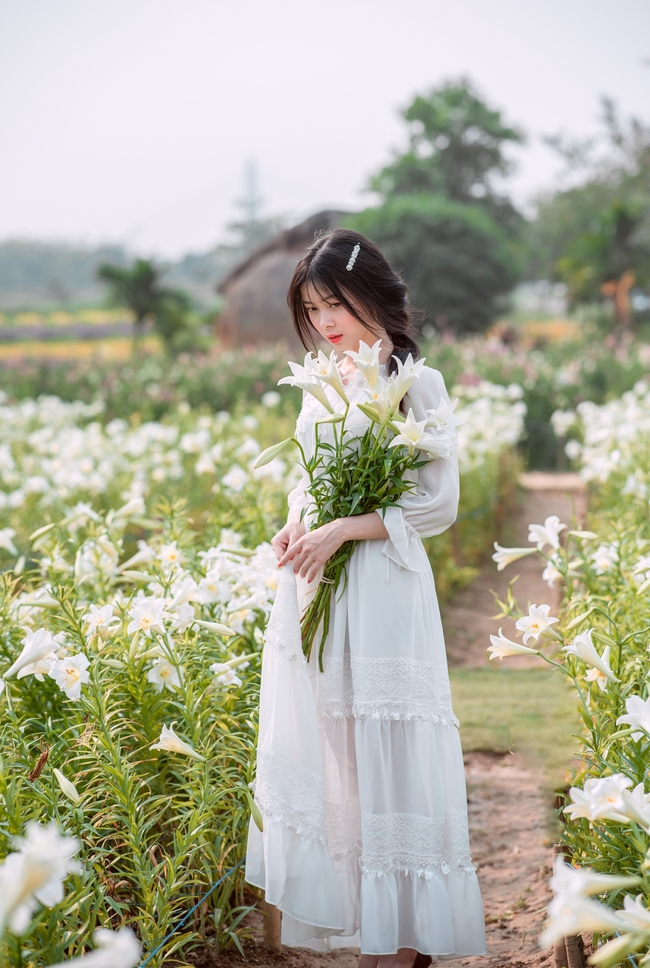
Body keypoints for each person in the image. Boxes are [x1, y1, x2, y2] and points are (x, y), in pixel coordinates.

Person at [245, 229, 486, 967]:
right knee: (343, 759)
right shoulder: (324, 381)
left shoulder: (419, 382)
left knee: (396, 757)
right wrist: (296, 526)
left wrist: (344, 530)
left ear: (370, 292)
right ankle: (371, 929)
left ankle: (405, 941)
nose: (324, 320)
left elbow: (436, 503)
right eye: (312, 308)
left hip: (384, 588)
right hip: (325, 592)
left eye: (334, 302)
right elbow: (307, 478)